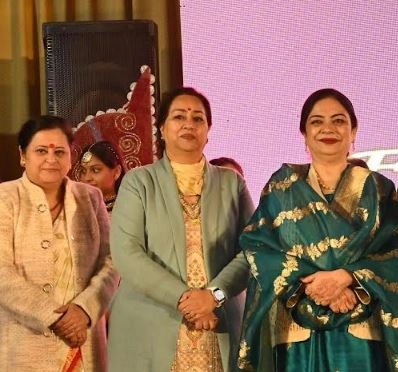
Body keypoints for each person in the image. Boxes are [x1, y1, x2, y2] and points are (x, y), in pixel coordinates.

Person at [237, 88, 398, 371]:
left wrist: (347, 277)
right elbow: (260, 248)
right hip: (296, 327)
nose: (328, 129)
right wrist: (312, 285)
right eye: (317, 121)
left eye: (338, 121)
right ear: (304, 133)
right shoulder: (281, 188)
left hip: (362, 325)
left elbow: (395, 255)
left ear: (353, 131)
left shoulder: (378, 189)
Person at [108, 87, 253, 371]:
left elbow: (253, 249)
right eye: (179, 117)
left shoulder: (232, 183)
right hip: (150, 321)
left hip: (218, 320)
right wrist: (185, 299)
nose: (189, 124)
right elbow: (127, 253)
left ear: (208, 131)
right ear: (162, 129)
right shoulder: (139, 182)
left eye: (198, 118)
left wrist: (214, 296)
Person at [0, 116, 118, 371]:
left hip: (85, 341)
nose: (51, 159)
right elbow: (2, 275)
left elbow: (111, 261)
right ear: (23, 155)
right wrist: (55, 317)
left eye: (59, 152)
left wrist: (84, 310)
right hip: (25, 345)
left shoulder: (90, 197)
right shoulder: (5, 199)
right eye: (41, 151)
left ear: (70, 156)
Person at [78, 140, 126, 212]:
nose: (87, 178)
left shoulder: (130, 207)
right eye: (83, 171)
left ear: (116, 172)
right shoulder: (74, 208)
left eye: (95, 170)